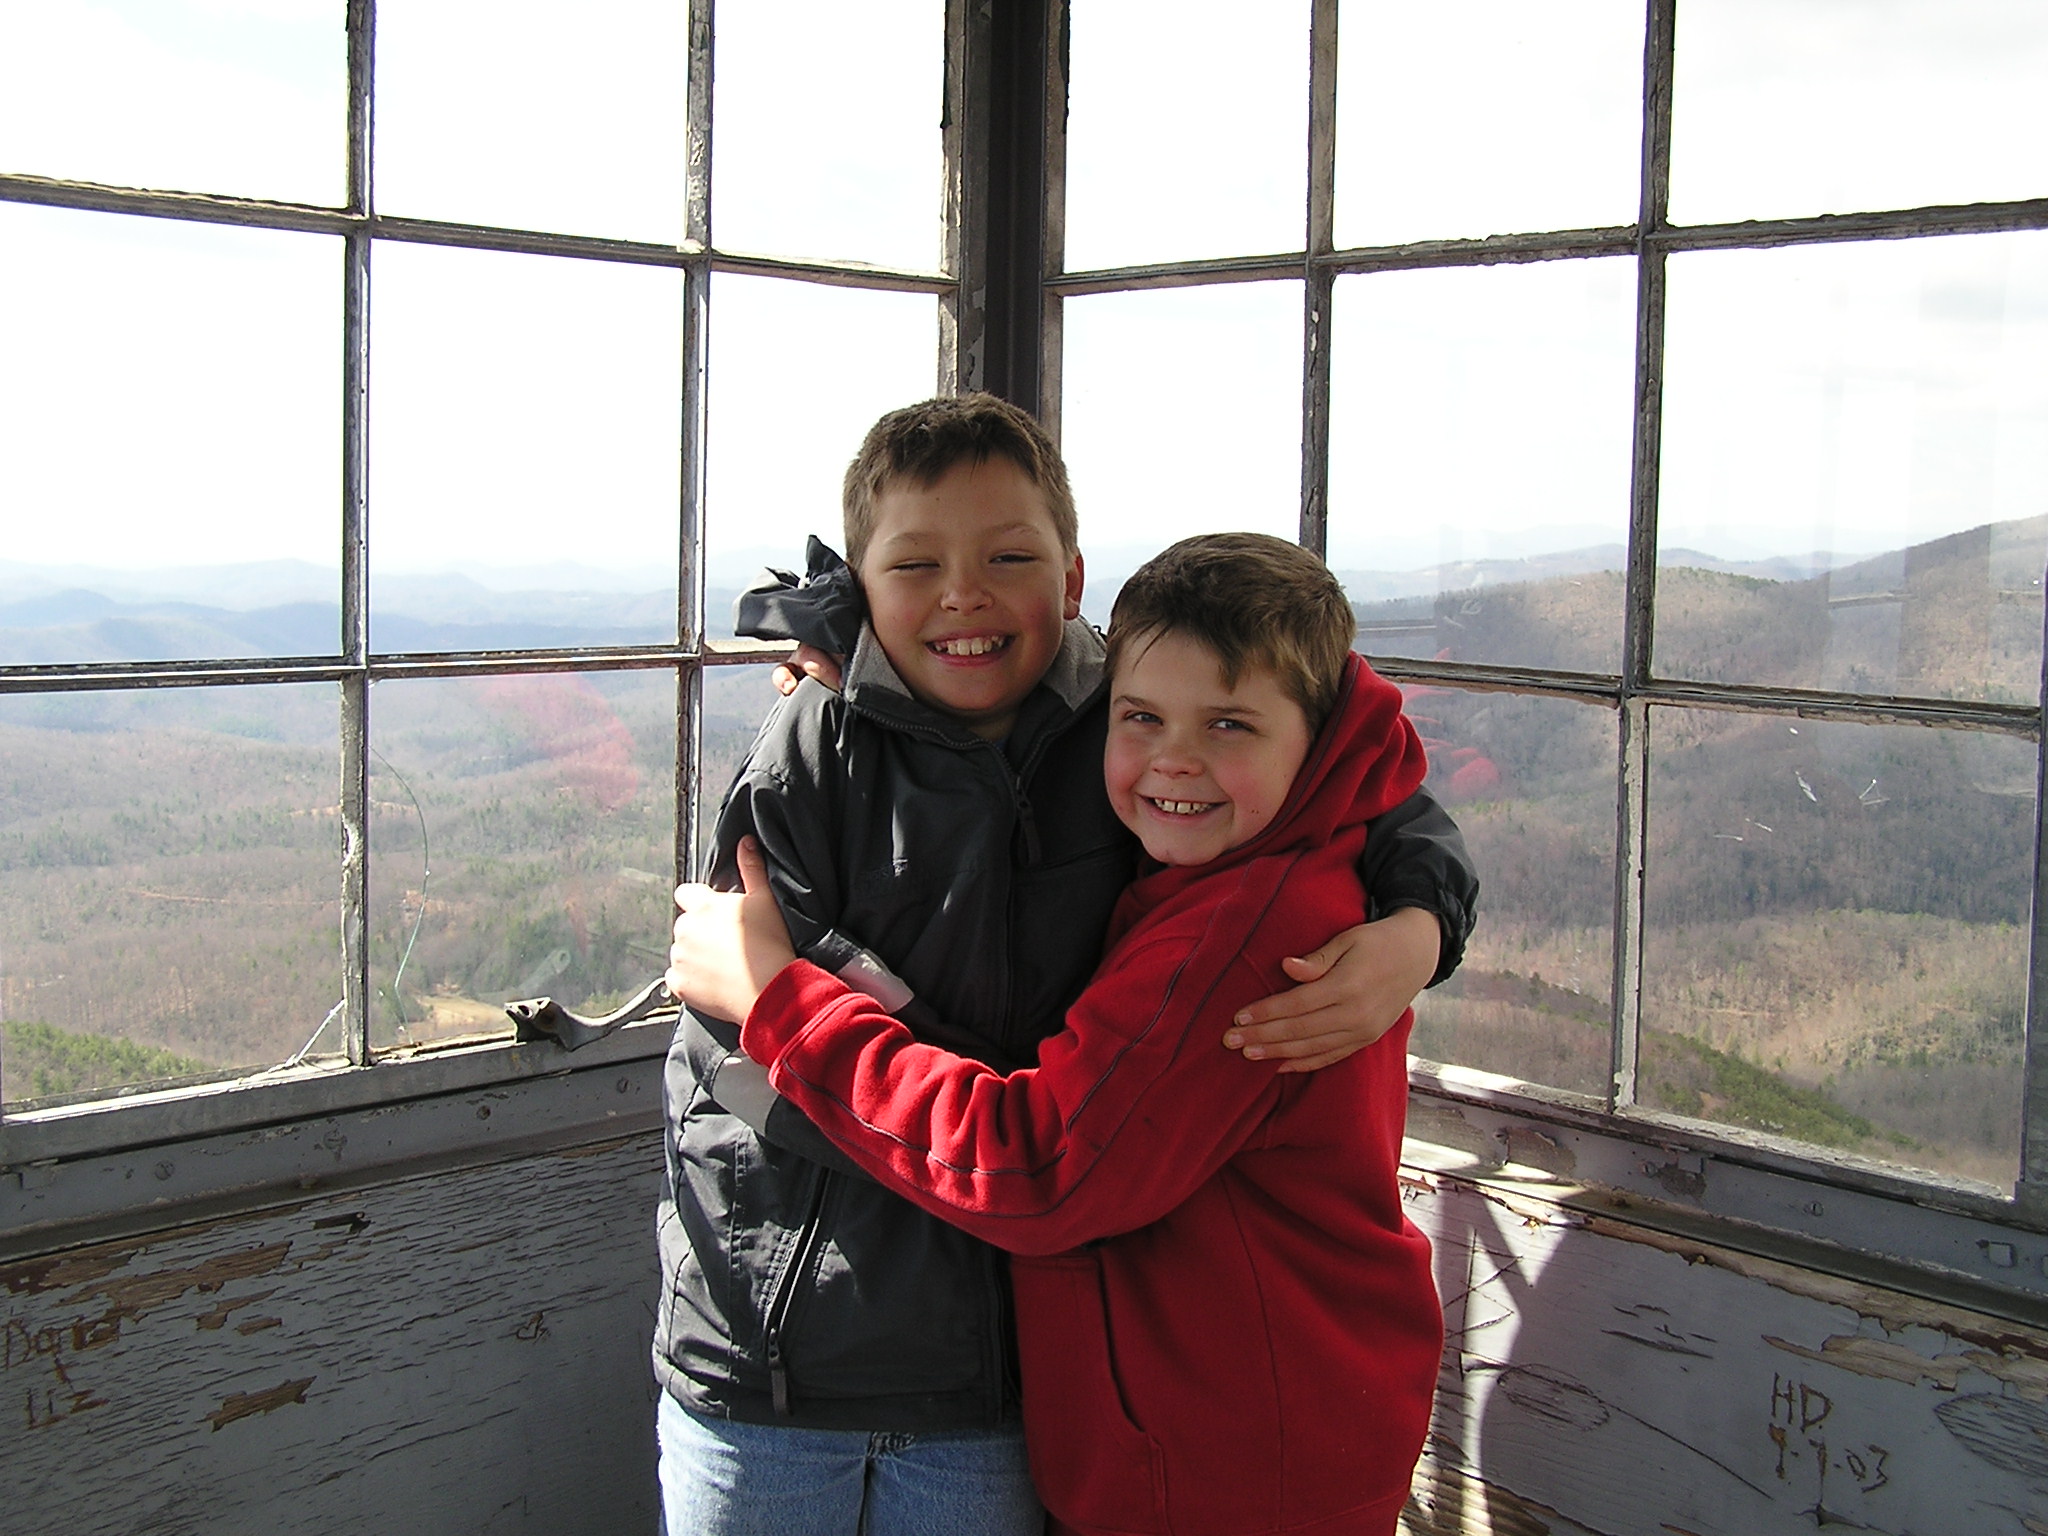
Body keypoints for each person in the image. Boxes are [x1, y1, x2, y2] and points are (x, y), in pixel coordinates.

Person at [653, 394, 1475, 1535]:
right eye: (916, 565)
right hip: (779, 1347)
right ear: (861, 579)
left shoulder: (1124, 722)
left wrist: (1420, 922)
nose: (963, 596)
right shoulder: (810, 749)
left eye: (1008, 557)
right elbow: (738, 1039)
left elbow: (1358, 777)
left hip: (1001, 1373)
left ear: (1072, 576)